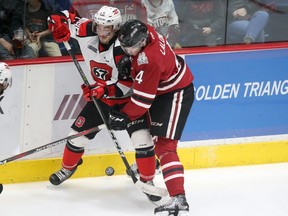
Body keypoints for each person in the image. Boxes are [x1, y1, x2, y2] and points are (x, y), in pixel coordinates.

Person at [47, 5, 161, 204]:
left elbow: (128, 84)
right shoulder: (86, 30)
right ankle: (67, 168)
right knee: (75, 138)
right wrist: (57, 24)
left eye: (106, 28)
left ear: (116, 27)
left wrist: (101, 89)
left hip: (128, 102)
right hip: (102, 100)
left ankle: (148, 181)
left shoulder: (125, 46)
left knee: (143, 142)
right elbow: (63, 14)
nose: (101, 32)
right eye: (99, 26)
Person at [108, 19, 194, 215]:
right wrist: (131, 62)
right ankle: (152, 165)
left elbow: (142, 102)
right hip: (163, 89)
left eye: (130, 48)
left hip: (176, 93)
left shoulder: (151, 61)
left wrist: (124, 116)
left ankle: (179, 198)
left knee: (165, 145)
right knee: (155, 138)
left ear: (141, 42)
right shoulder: (147, 31)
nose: (127, 51)